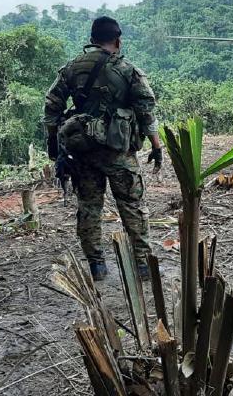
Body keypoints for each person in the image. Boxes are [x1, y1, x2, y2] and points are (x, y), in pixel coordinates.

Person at [44, 16, 162, 281]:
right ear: (117, 41)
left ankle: (97, 265)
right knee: (132, 204)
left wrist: (54, 144)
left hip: (82, 151)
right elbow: (146, 111)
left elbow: (52, 107)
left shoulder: (71, 68)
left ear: (92, 39)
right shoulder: (127, 69)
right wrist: (156, 145)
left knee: (88, 206)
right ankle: (143, 265)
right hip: (118, 151)